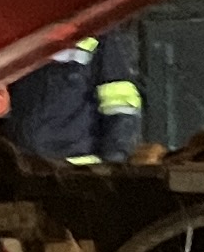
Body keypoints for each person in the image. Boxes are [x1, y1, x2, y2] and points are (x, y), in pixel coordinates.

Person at [11, 22, 144, 165]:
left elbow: (120, 101)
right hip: (23, 165)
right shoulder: (18, 31)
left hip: (77, 167)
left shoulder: (99, 33)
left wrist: (113, 159)